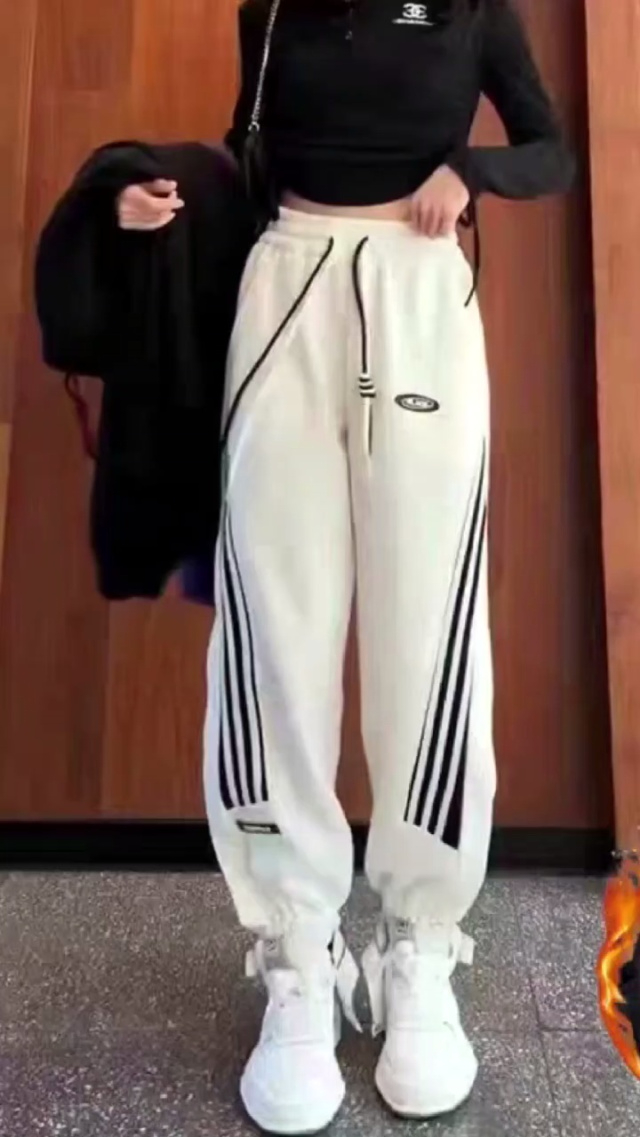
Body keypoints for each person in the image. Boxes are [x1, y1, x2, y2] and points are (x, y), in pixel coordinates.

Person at [117, 0, 574, 1131]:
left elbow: (550, 150)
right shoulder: (272, 7)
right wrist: (148, 201)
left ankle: (419, 945)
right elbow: (247, 157)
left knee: (429, 631)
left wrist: (471, 170)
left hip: (422, 292)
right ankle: (298, 950)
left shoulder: (475, 10)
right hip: (284, 292)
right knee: (276, 626)